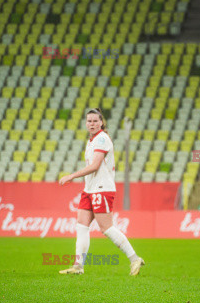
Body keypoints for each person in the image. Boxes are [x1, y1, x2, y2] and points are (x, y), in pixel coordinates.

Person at [58, 108, 145, 276]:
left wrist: (72, 176)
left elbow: (95, 165)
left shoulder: (102, 139)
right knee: (81, 226)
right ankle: (78, 266)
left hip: (102, 188)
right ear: (85, 123)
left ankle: (134, 258)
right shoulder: (91, 141)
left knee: (106, 228)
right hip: (89, 189)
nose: (92, 124)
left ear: (101, 122)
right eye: (89, 121)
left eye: (95, 121)